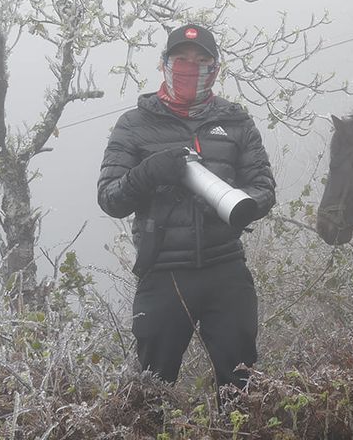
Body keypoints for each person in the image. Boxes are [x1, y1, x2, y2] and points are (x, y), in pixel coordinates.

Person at [97, 23, 276, 394]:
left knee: (242, 387)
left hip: (226, 271)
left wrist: (234, 205)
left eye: (201, 60)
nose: (190, 66)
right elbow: (110, 199)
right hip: (162, 274)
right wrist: (147, 173)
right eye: (181, 59)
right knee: (152, 388)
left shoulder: (235, 120)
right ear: (164, 63)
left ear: (216, 68)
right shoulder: (133, 125)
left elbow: (263, 188)